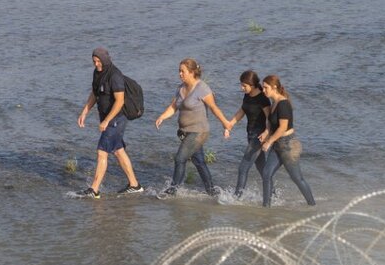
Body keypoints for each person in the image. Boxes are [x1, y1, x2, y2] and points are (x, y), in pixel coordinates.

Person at [155, 58, 232, 197]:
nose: (180, 74)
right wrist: (162, 117)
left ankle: (172, 190)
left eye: (182, 71)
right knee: (199, 161)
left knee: (180, 158)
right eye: (179, 71)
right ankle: (212, 191)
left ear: (191, 72)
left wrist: (225, 124)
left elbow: (214, 108)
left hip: (199, 132)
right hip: (185, 132)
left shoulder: (202, 88)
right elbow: (174, 106)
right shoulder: (180, 88)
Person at [77, 47, 143, 199]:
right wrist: (85, 111)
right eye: (94, 61)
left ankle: (94, 190)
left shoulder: (115, 76)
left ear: (105, 60)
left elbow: (119, 102)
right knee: (118, 150)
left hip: (117, 118)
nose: (97, 64)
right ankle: (135, 185)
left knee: (102, 152)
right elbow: (95, 93)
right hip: (107, 118)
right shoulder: (97, 73)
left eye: (99, 61)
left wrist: (106, 121)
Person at [259, 74, 316, 207]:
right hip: (278, 145)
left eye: (266, 87)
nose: (263, 90)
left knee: (297, 178)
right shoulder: (274, 103)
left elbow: (283, 127)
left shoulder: (283, 103)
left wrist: (269, 142)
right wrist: (266, 133)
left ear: (274, 87)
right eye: (262, 87)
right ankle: (266, 207)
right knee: (266, 173)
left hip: (289, 145)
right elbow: (272, 124)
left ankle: (312, 206)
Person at [227, 70, 276, 199]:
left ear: (252, 85)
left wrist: (267, 133)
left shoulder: (263, 99)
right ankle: (274, 196)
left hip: (259, 137)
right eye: (241, 85)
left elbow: (269, 118)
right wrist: (230, 124)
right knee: (263, 169)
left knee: (243, 168)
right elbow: (242, 110)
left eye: (244, 85)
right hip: (250, 134)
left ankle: (236, 198)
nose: (242, 88)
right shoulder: (247, 95)